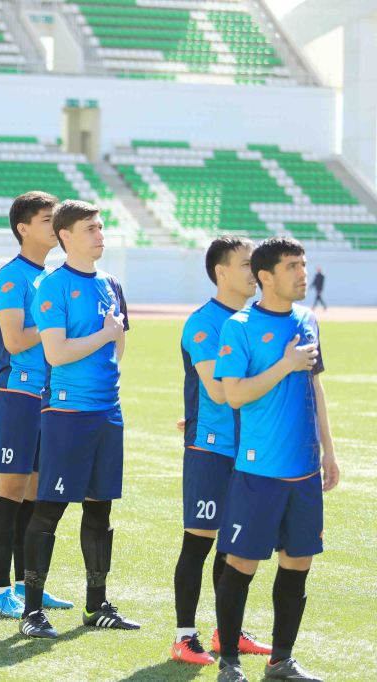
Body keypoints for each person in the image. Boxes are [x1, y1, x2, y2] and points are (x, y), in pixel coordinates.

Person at [212, 237, 339, 682]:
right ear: (265, 276)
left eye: (303, 265)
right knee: (242, 565)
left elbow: (315, 387)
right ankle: (229, 661)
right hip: (259, 470)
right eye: (292, 266)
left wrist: (329, 449)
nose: (302, 273)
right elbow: (234, 394)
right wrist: (283, 364)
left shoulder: (307, 319)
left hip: (303, 471)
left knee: (298, 564)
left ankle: (280, 660)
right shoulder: (240, 326)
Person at [22, 199, 139, 638]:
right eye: (91, 229)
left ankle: (96, 604)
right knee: (49, 510)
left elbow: (119, 345)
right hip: (68, 412)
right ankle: (32, 610)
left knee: (99, 510)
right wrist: (106, 334)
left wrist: (112, 342)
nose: (100, 235)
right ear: (65, 236)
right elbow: (56, 353)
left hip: (107, 410)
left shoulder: (110, 283)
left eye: (101, 227)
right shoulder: (51, 285)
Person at [171, 236, 271, 665]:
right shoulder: (204, 323)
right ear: (221, 272)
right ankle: (184, 636)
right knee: (199, 543)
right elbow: (216, 389)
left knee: (236, 547)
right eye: (247, 264)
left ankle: (226, 631)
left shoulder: (253, 321)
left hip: (250, 450)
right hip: (211, 448)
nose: (255, 272)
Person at [0, 192, 72, 618]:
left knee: (37, 495)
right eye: (47, 220)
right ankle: (1, 589)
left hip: (49, 395)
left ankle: (29, 585)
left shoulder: (53, 276)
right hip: (18, 394)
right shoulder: (11, 276)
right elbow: (15, 340)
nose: (55, 227)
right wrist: (52, 322)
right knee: (10, 491)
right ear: (24, 228)